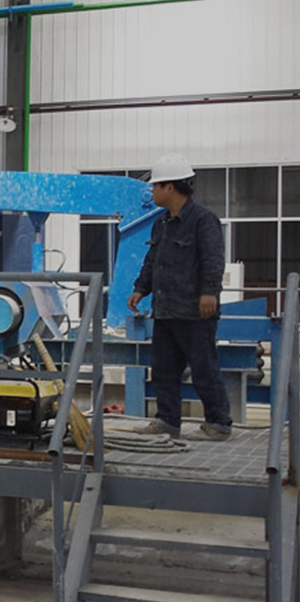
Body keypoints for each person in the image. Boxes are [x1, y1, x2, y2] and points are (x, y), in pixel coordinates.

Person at [126, 153, 233, 441]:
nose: (152, 191)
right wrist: (140, 288)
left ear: (170, 187)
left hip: (195, 311)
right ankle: (167, 421)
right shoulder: (161, 224)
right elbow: (153, 260)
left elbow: (213, 260)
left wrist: (209, 292)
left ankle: (219, 423)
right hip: (165, 310)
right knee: (163, 369)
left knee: (203, 368)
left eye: (155, 186)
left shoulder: (203, 221)